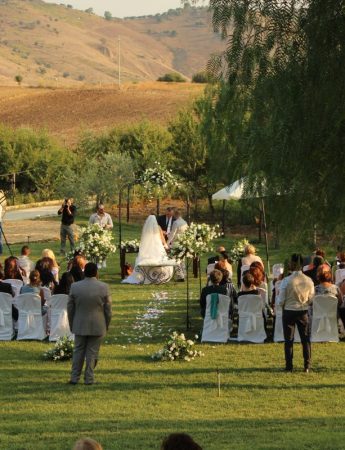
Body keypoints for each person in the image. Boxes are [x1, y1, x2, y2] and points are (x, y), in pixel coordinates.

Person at [67, 262, 112, 385]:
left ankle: (74, 377)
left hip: (80, 323)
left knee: (78, 351)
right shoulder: (104, 287)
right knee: (92, 352)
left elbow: (70, 308)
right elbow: (108, 310)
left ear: (84, 272)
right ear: (96, 273)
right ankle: (89, 378)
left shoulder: (75, 287)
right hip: (98, 324)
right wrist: (106, 324)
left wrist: (72, 323)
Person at [277, 253, 315, 373]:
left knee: (288, 340)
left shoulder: (286, 281)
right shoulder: (308, 280)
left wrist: (281, 305)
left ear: (293, 264)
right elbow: (311, 298)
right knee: (305, 339)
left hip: (289, 311)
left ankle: (289, 366)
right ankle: (307, 365)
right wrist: (304, 302)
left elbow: (281, 299)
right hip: (302, 311)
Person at [122, 215, 176, 285]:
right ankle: (160, 276)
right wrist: (165, 245)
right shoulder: (158, 227)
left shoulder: (145, 228)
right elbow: (162, 238)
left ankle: (146, 276)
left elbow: (143, 238)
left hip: (148, 248)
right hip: (157, 247)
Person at [167, 209, 188, 281]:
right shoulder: (185, 222)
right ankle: (184, 274)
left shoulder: (176, 222)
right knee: (182, 259)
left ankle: (180, 276)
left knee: (176, 259)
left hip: (176, 243)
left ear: (176, 215)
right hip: (183, 243)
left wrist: (167, 242)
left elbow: (173, 233)